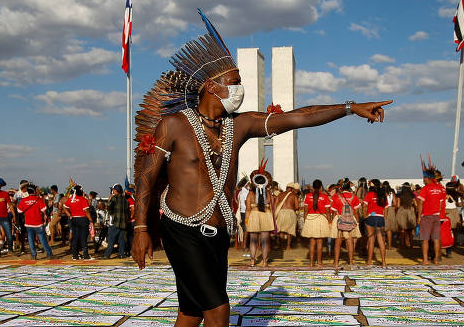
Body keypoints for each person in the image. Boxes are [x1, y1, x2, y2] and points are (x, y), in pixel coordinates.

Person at [131, 23, 390, 327]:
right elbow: (146, 178)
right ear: (212, 86)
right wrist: (141, 230)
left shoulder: (239, 125)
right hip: (182, 230)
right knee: (217, 310)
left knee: (191, 312)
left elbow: (297, 117)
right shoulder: (173, 125)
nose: (240, 89)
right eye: (234, 82)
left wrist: (350, 107)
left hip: (218, 235)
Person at [245, 169, 275, 267]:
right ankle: (265, 262)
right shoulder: (269, 193)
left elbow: (248, 209)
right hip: (266, 215)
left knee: (253, 240)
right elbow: (272, 206)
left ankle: (252, 261)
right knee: (265, 240)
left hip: (254, 215)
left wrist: (246, 221)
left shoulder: (250, 194)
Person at [416, 169, 445, 264]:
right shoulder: (439, 188)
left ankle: (425, 260)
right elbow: (441, 204)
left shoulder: (425, 188)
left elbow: (420, 203)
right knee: (436, 238)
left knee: (425, 239)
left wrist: (419, 216)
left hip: (427, 216)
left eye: (424, 177)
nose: (423, 180)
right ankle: (436, 259)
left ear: (428, 178)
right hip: (436, 216)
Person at [17, 184, 53, 260]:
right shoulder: (38, 199)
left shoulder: (23, 200)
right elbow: (44, 209)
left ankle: (33, 255)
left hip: (28, 223)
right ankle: (49, 253)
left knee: (30, 239)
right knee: (43, 239)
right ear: (34, 191)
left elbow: (19, 211)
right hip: (38, 223)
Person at [302, 179, 331, 268]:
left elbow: (305, 211)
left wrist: (305, 221)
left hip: (310, 219)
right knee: (320, 242)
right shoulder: (325, 197)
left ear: (313, 186)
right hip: (321, 219)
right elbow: (327, 211)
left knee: (312, 242)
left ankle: (311, 263)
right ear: (321, 187)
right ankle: (319, 262)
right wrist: (329, 222)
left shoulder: (307, 196)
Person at [331, 182, 362, 267]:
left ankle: (336, 262)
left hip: (339, 219)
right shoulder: (354, 197)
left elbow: (334, 211)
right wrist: (357, 222)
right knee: (350, 241)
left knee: (338, 242)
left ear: (342, 188)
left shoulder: (337, 197)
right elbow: (356, 212)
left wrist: (332, 222)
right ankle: (351, 261)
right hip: (351, 219)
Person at [362, 180, 388, 266]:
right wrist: (385, 217)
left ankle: (369, 261)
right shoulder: (383, 195)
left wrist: (365, 215)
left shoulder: (370, 194)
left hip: (371, 218)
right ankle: (384, 261)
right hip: (380, 218)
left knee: (371, 240)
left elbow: (364, 206)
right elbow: (386, 208)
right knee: (381, 241)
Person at [64, 185, 92, 260]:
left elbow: (64, 207)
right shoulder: (83, 200)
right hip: (83, 220)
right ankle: (85, 255)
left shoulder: (70, 199)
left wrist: (69, 214)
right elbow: (86, 211)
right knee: (83, 238)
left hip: (74, 219)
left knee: (75, 238)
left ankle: (75, 255)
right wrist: (91, 220)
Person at [274, 182, 299, 251]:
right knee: (289, 231)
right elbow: (297, 207)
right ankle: (288, 246)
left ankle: (282, 246)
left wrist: (275, 214)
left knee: (281, 231)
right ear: (292, 189)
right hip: (290, 213)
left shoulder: (280, 195)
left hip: (281, 213)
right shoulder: (294, 195)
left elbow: (275, 205)